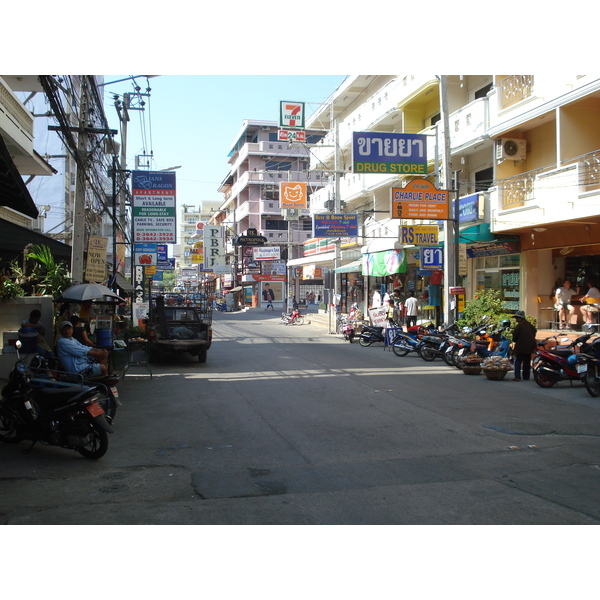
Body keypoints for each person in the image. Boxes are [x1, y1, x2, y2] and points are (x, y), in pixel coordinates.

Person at [511, 310, 537, 381]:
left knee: (518, 361)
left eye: (517, 318)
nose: (516, 319)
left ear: (520, 318)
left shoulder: (519, 326)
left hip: (521, 347)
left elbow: (515, 338)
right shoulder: (531, 326)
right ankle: (526, 377)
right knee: (527, 362)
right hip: (529, 347)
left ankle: (517, 376)